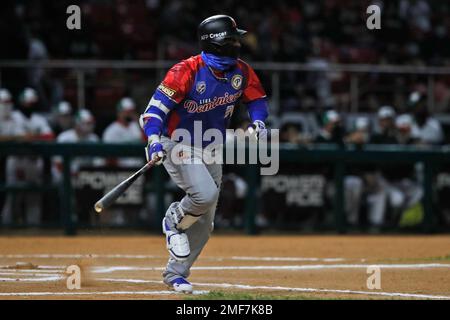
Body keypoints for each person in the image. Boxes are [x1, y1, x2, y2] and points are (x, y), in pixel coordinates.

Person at [139, 15, 269, 293]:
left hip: (211, 146)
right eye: (233, 38)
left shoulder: (241, 71)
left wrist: (258, 120)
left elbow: (256, 99)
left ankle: (175, 274)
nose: (238, 43)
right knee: (204, 195)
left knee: (205, 223)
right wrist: (153, 140)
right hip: (176, 142)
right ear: (219, 42)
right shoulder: (185, 70)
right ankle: (173, 219)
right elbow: (154, 111)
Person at [2, 87, 54, 225]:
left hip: (34, 162)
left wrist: (30, 137)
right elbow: (13, 138)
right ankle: (7, 227)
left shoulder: (39, 119)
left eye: (32, 103)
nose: (29, 106)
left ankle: (34, 230)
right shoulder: (13, 117)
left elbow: (49, 136)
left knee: (34, 198)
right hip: (16, 161)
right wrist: (29, 137)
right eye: (27, 103)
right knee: (13, 197)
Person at [102, 97, 144, 168]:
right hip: (122, 170)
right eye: (127, 112)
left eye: (132, 112)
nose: (130, 114)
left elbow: (146, 141)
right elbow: (108, 156)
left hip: (139, 168)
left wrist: (139, 123)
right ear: (119, 112)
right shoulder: (111, 130)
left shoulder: (135, 126)